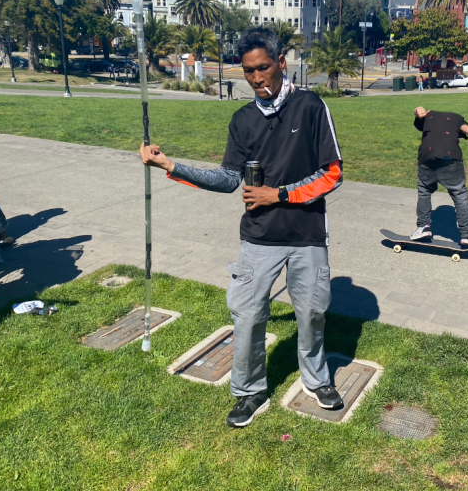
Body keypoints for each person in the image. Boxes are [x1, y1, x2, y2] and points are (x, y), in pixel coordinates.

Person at [139, 27, 345, 428]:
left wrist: (279, 195)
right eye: (248, 71)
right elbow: (230, 178)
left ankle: (316, 379)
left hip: (306, 236)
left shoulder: (311, 107)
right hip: (259, 237)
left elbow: (332, 173)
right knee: (248, 316)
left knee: (313, 312)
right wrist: (171, 166)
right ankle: (248, 390)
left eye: (264, 68)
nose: (256, 78)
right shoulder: (243, 120)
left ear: (281, 63)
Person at [410, 106, 468, 246]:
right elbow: (465, 128)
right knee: (459, 193)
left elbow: (419, 117)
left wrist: (417, 113)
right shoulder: (457, 119)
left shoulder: (428, 117)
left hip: (428, 156)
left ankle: (422, 227)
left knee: (424, 191)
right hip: (451, 158)